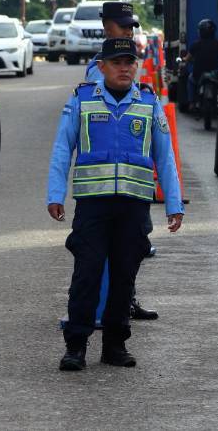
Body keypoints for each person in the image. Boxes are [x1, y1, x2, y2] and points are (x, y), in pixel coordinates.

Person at [47, 37, 184, 371]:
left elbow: (164, 156)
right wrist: (55, 194)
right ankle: (76, 346)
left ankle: (115, 345)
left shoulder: (148, 102)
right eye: (117, 63)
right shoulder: (82, 99)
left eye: (129, 62)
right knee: (87, 275)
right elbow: (63, 148)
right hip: (93, 205)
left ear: (136, 66)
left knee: (124, 277)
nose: (124, 68)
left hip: (133, 207)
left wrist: (174, 204)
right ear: (102, 67)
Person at [81, 1, 158, 321]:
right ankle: (102, 310)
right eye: (122, 25)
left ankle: (125, 299)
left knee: (133, 246)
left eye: (130, 26)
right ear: (106, 26)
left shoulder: (125, 61)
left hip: (131, 178)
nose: (128, 31)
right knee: (106, 252)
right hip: (106, 182)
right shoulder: (98, 68)